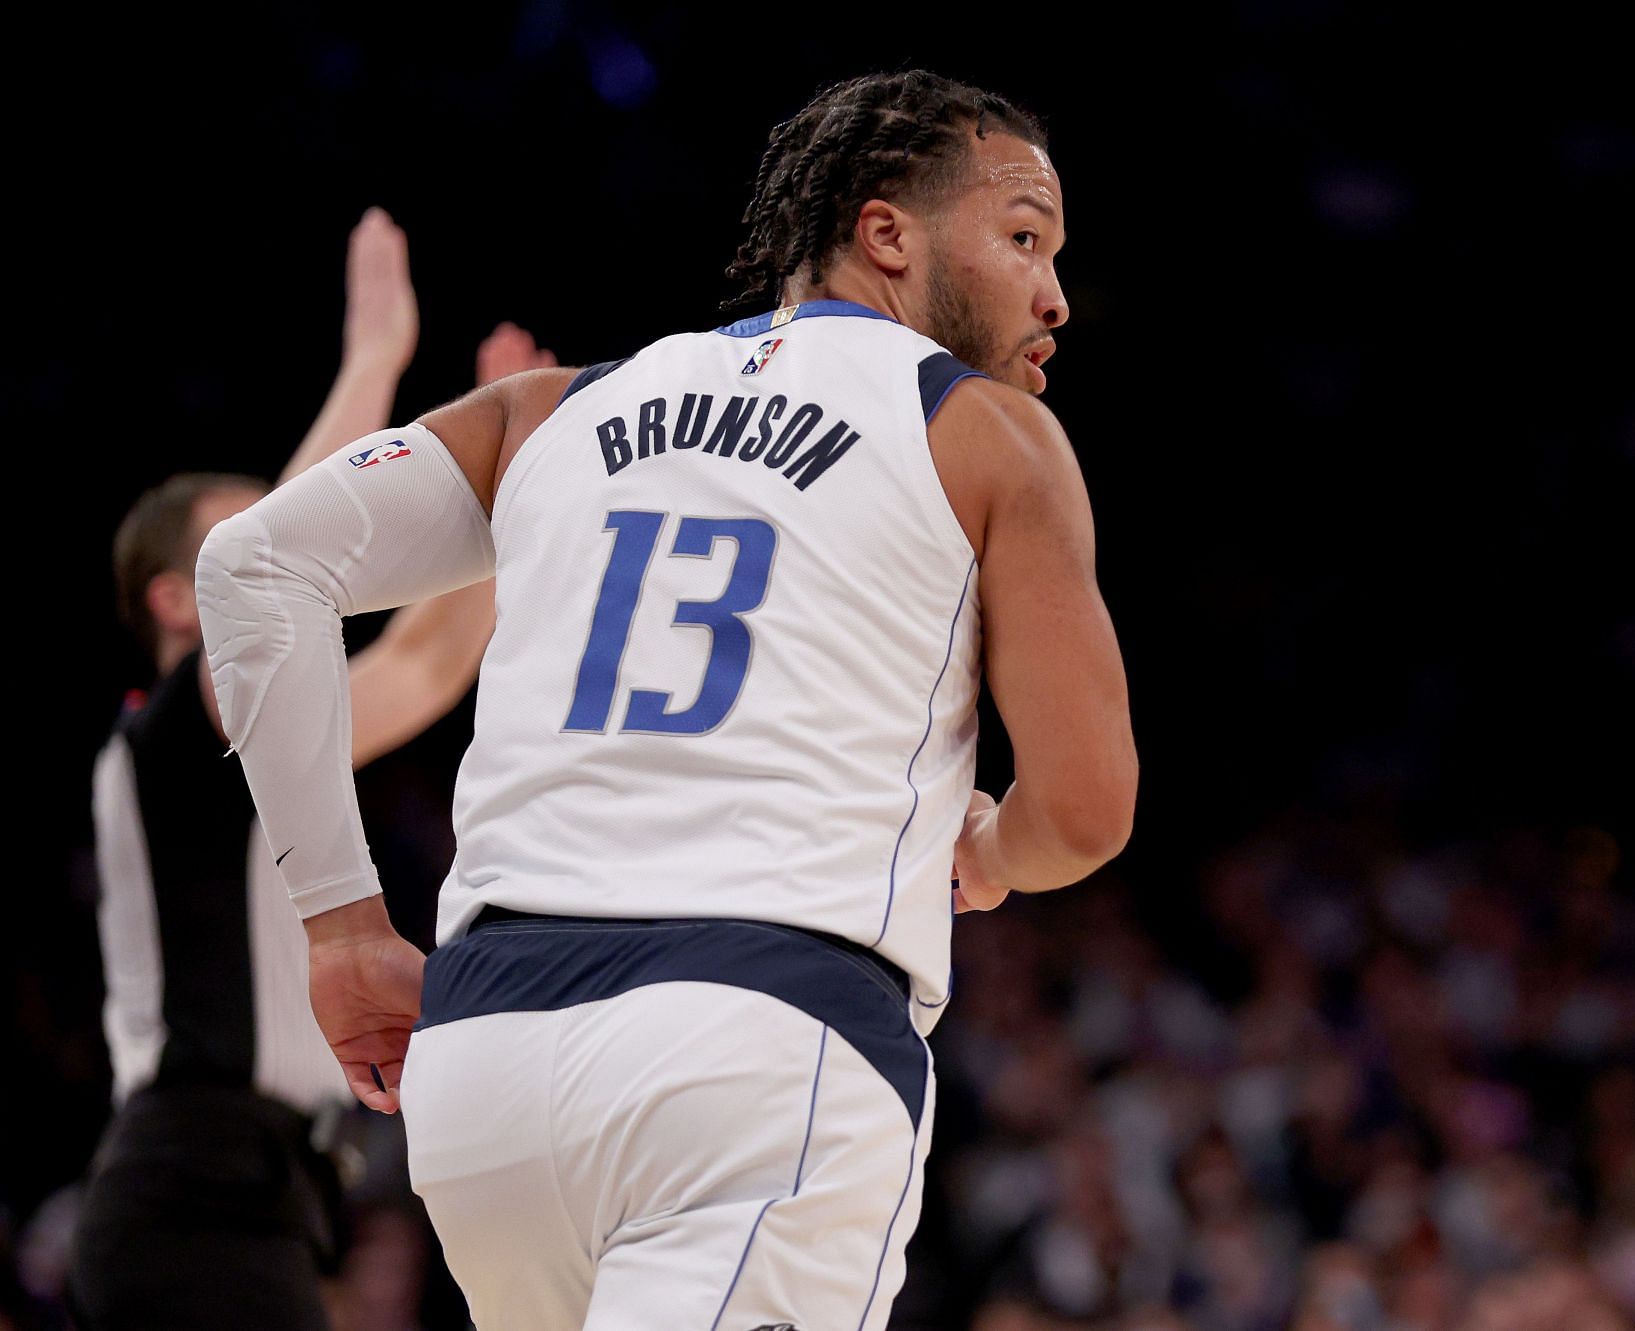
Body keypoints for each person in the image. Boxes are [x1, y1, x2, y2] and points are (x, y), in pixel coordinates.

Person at [195, 69, 1136, 1330]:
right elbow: (1084, 810)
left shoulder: (555, 407)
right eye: (1023, 237)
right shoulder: (986, 435)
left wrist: (342, 927)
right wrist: (996, 847)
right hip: (754, 1048)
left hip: (485, 1073)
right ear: (886, 233)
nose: (1054, 292)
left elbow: (254, 567)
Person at [72, 207, 554, 1330]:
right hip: (187, 1181)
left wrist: (508, 484)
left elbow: (431, 659)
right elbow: (267, 569)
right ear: (172, 598)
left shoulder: (253, 755)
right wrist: (375, 356)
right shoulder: (158, 742)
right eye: (235, 541)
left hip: (249, 1190)